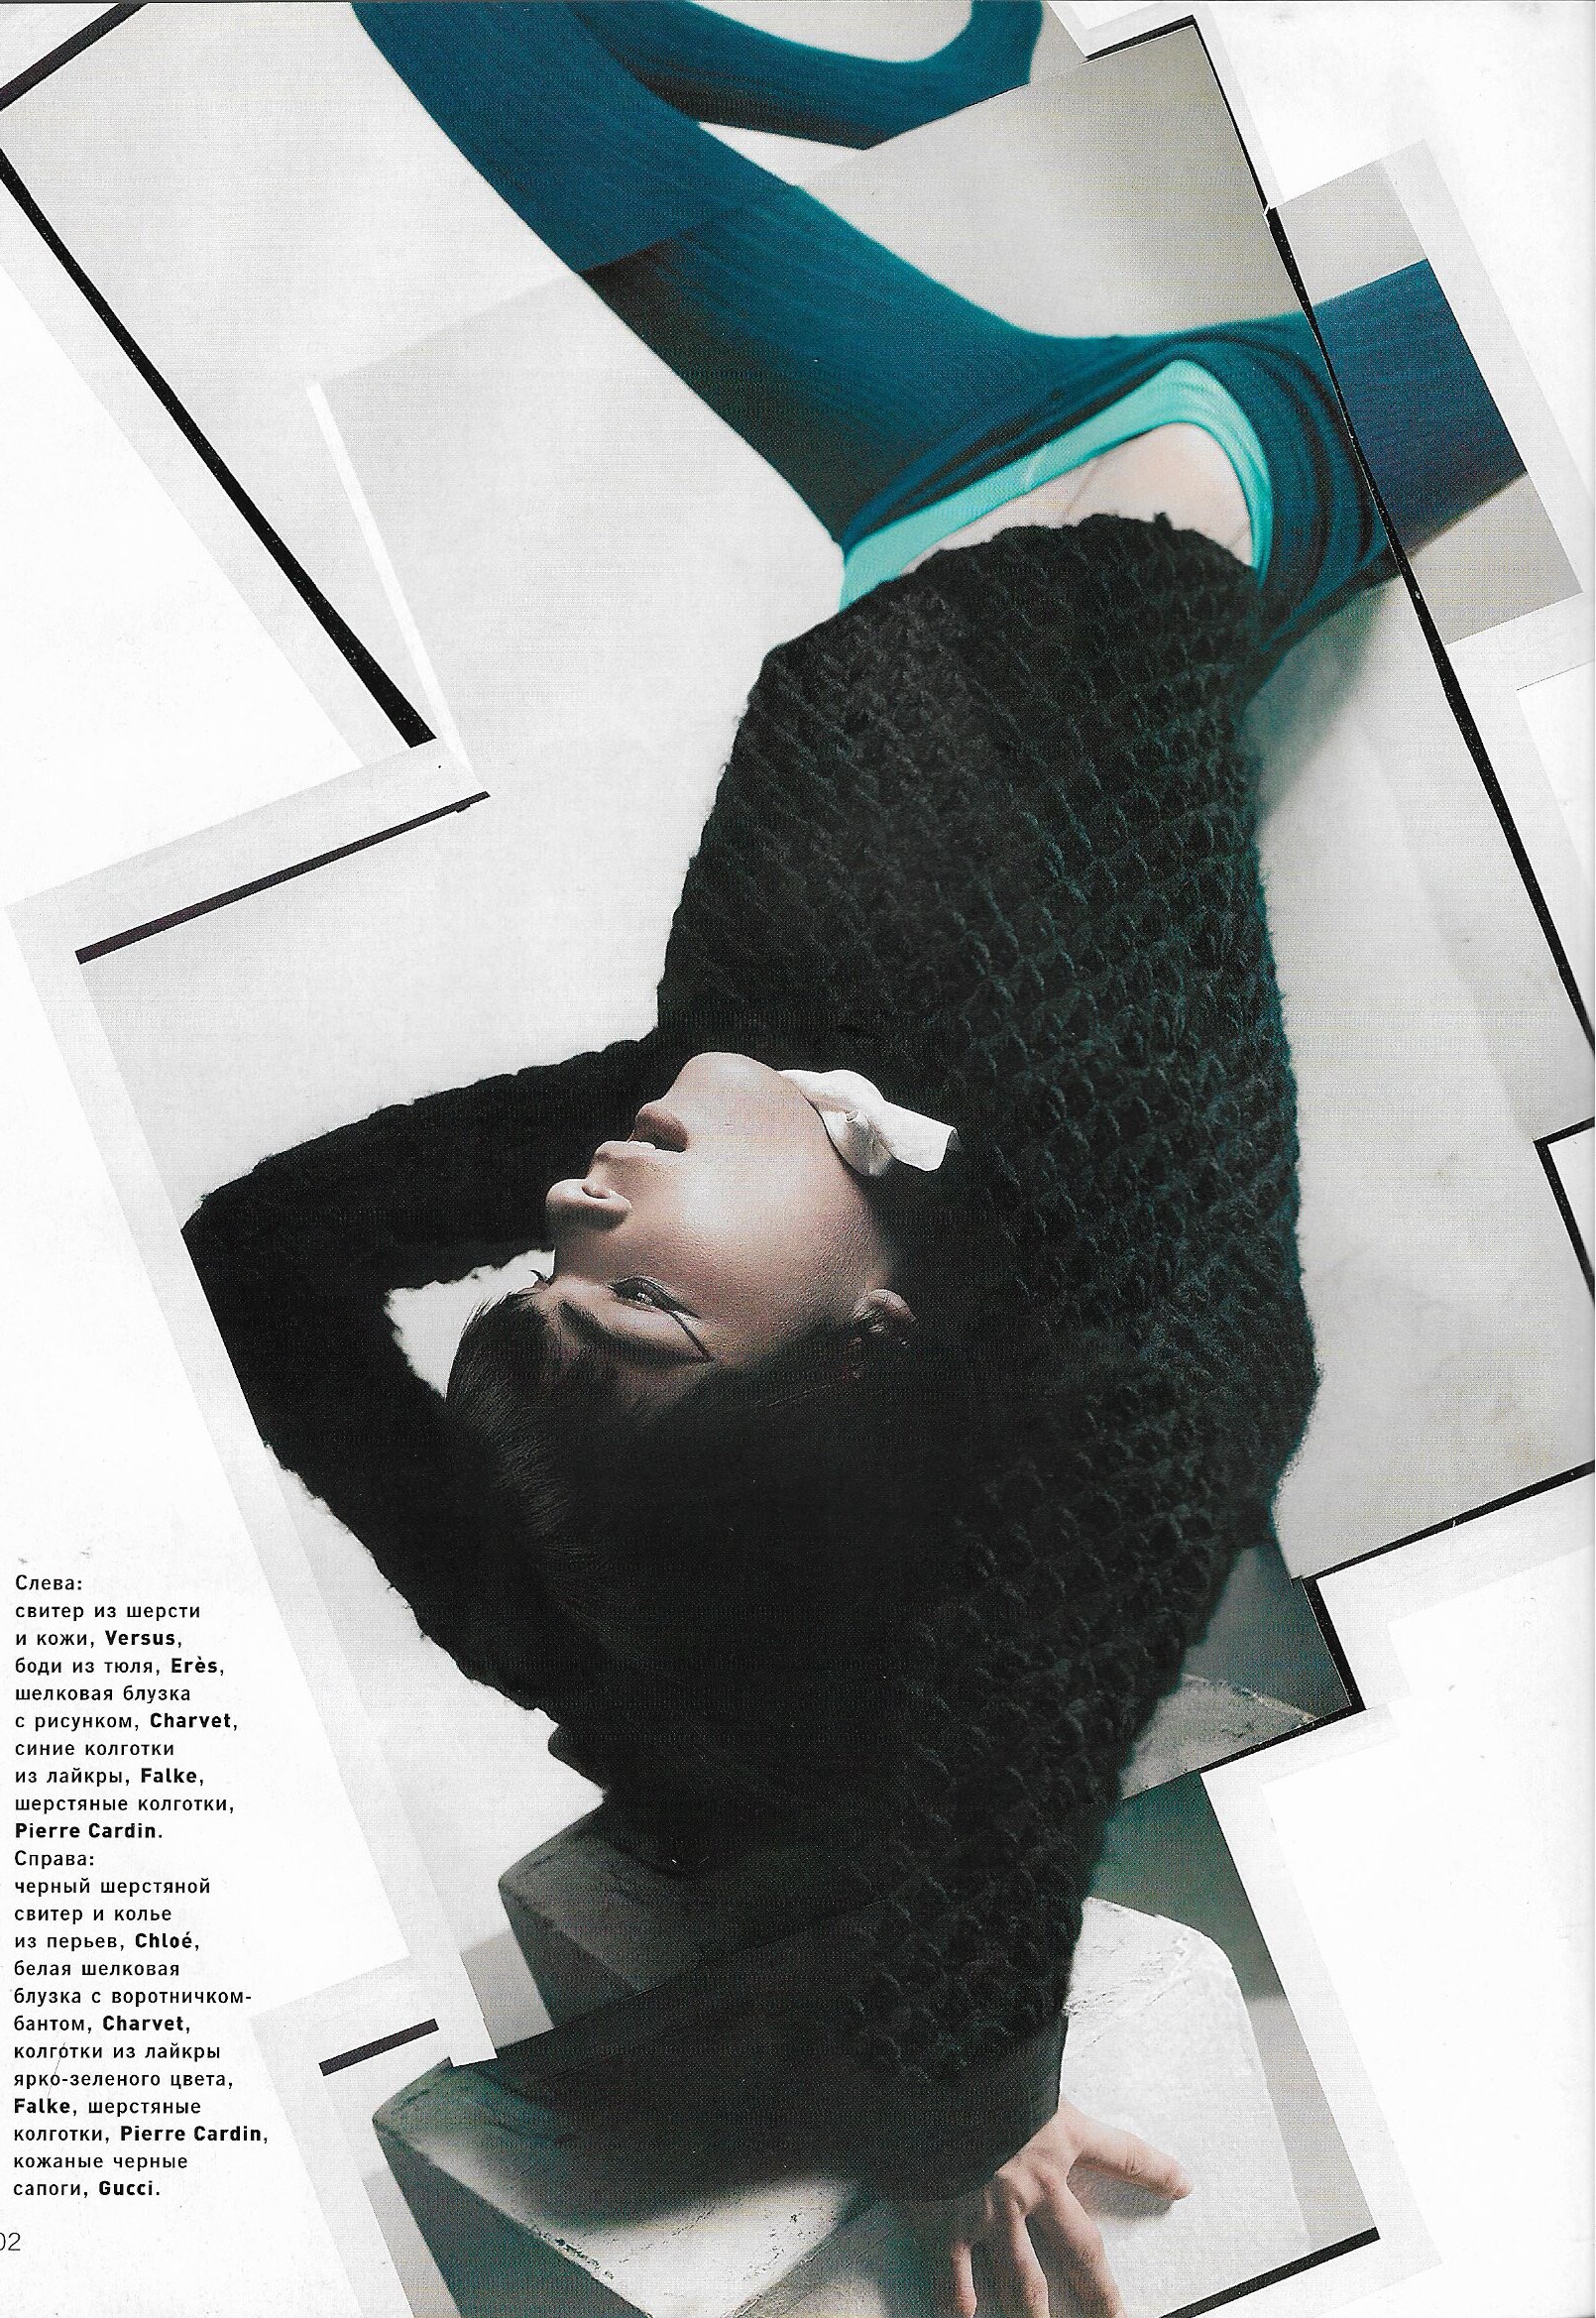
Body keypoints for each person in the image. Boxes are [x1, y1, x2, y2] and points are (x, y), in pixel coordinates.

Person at [184, 9, 1525, 2313]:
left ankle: (901, 89)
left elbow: (262, 1247)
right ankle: (933, 95)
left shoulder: (681, 1105)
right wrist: (961, 2092)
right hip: (1259, 454)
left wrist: (561, 1630)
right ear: (867, 1332)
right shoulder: (1119, 1209)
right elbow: (1128, 1506)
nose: (566, 1212)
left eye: (538, 1271)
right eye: (634, 1298)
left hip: (913, 446)